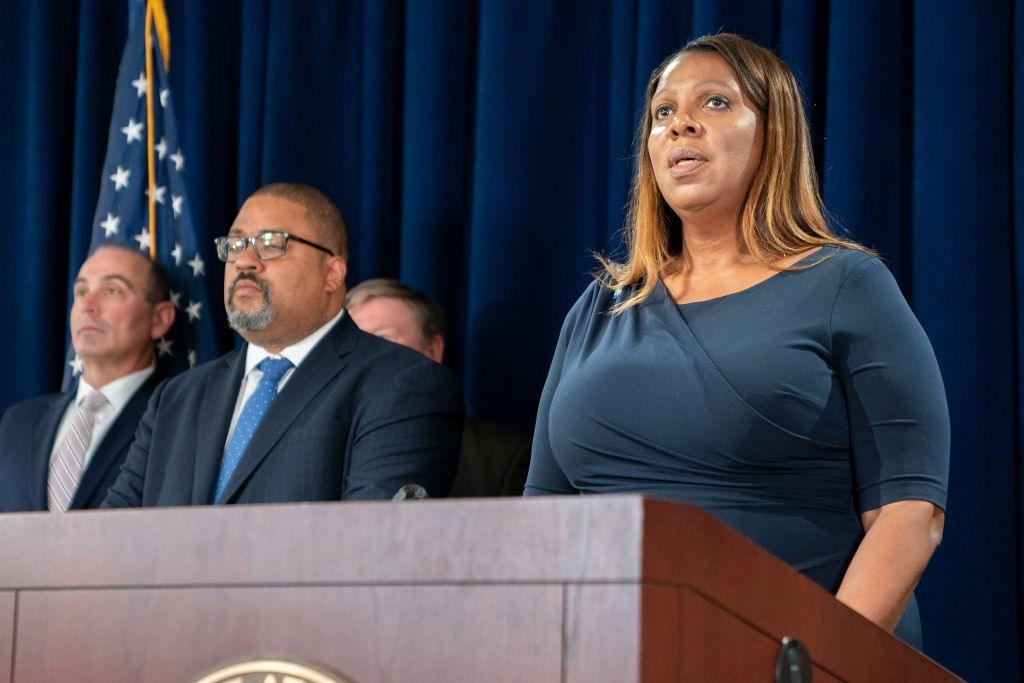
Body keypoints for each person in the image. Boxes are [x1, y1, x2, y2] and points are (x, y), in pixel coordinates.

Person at [526, 34, 948, 649]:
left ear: (773, 134)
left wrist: (816, 664)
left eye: (715, 103)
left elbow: (909, 513)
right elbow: (544, 509)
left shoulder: (847, 285)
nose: (681, 126)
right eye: (663, 113)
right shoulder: (600, 306)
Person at [102, 183, 462, 507]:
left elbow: (371, 547)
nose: (244, 261)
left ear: (332, 273)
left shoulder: (402, 384)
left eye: (271, 244)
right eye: (236, 244)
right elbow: (110, 539)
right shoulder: (175, 399)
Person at [0, 245, 175, 511]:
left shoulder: (175, 421)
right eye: (81, 292)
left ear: (159, 319)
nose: (88, 307)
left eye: (112, 290)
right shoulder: (18, 423)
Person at [347, 278, 530, 496]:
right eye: (354, 345)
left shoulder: (503, 460)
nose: (364, 359)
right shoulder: (316, 449)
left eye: (382, 340)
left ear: (433, 349)